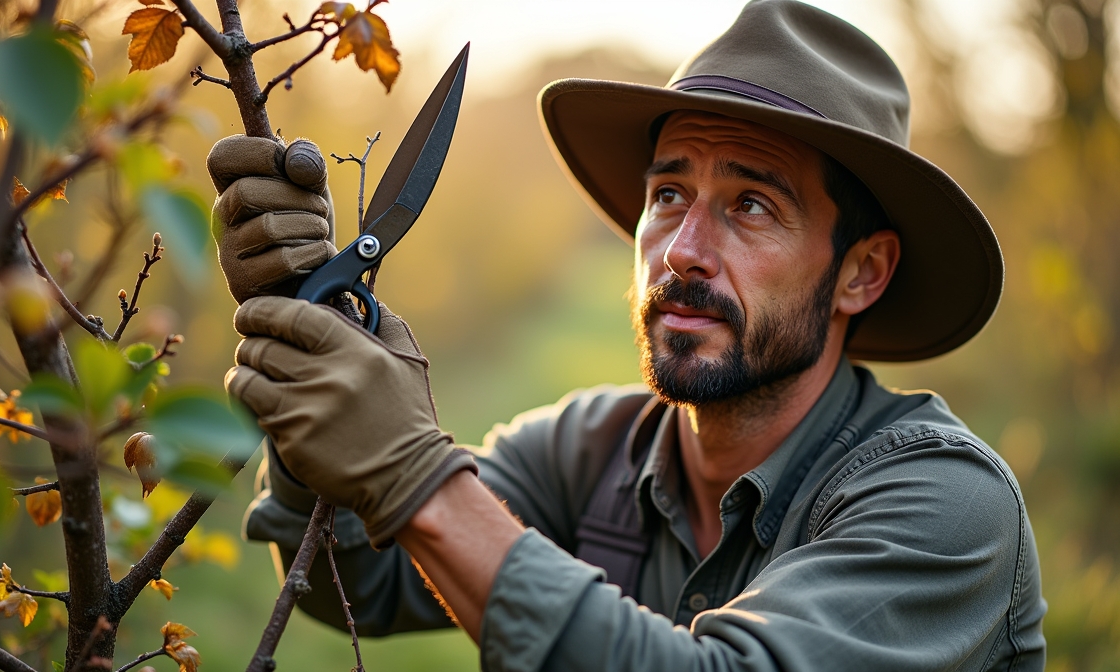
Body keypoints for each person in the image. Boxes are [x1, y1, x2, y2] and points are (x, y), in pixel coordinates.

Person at [209, 1, 1046, 669]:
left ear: (862, 272)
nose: (683, 250)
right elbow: (356, 582)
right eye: (670, 195)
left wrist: (414, 473)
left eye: (752, 206)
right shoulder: (584, 454)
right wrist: (317, 335)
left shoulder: (947, 509)